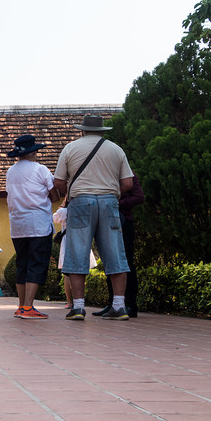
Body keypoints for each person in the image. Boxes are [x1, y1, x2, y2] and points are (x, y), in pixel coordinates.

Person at [53, 114, 134, 321]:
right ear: (101, 131)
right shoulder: (116, 150)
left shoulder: (70, 148)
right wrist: (110, 193)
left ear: (82, 130)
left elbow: (59, 181)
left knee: (77, 253)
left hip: (80, 202)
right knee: (115, 254)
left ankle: (78, 307)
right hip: (109, 202)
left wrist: (72, 192)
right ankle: (119, 306)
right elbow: (128, 184)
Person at [6, 134, 57, 319]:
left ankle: (21, 306)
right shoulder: (40, 170)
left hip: (17, 224)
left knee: (22, 264)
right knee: (36, 263)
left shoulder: (10, 172)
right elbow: (55, 195)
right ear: (33, 152)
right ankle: (29, 307)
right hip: (38, 223)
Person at [93, 174, 143, 317]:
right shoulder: (104, 172)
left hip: (123, 221)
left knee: (126, 261)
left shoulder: (128, 174)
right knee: (109, 263)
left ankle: (130, 304)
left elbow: (139, 196)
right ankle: (112, 303)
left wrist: (116, 203)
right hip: (105, 220)